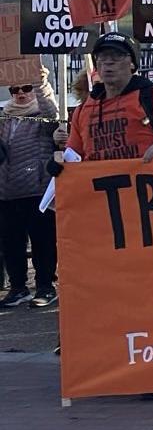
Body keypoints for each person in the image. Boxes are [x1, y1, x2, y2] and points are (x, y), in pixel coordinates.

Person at [71, 32, 153, 162]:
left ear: (132, 63)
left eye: (117, 56)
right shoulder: (82, 110)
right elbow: (72, 157)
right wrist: (59, 165)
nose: (108, 62)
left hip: (146, 180)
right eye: (102, 56)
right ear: (96, 65)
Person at [0, 71, 58, 308]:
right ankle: (18, 287)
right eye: (15, 90)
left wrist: (40, 82)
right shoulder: (4, 118)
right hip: (6, 193)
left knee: (43, 242)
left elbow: (52, 113)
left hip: (37, 190)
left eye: (26, 88)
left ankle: (45, 286)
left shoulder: (42, 117)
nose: (21, 94)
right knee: (11, 244)